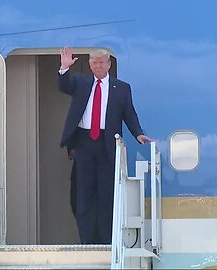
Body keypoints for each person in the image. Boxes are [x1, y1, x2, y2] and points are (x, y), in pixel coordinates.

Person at [58, 47, 151, 244]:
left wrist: (138, 134)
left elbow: (129, 114)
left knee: (106, 195)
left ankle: (106, 241)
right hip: (83, 143)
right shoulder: (81, 82)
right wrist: (64, 68)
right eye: (94, 62)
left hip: (107, 143)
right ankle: (87, 241)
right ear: (90, 64)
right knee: (84, 195)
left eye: (102, 62)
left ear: (109, 64)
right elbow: (64, 86)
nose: (98, 65)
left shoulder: (122, 88)